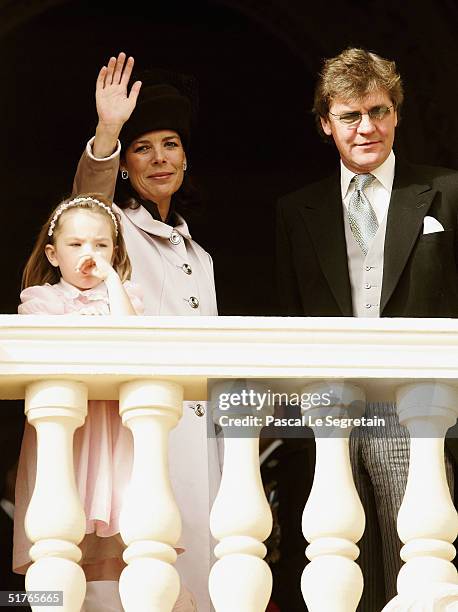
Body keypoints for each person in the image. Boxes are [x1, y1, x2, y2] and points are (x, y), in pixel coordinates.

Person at [276, 47, 458, 610]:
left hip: (418, 405)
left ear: (396, 114)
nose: (367, 128)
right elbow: (288, 318)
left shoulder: (447, 192)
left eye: (378, 111)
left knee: (415, 561)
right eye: (350, 116)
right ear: (327, 124)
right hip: (328, 406)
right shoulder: (295, 211)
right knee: (337, 568)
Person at [72, 53, 219, 611]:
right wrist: (108, 131)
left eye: (171, 145)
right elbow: (84, 205)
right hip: (140, 437)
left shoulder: (199, 254)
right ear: (127, 164)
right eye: (143, 147)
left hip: (202, 440)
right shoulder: (111, 231)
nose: (160, 159)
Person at [13, 194, 196, 611]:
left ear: (115, 253)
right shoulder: (41, 300)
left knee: (129, 534)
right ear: (52, 253)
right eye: (75, 245)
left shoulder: (125, 297)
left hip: (115, 433)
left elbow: (131, 342)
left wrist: (113, 282)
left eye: (101, 245)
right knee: (60, 529)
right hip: (70, 433)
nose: (88, 255)